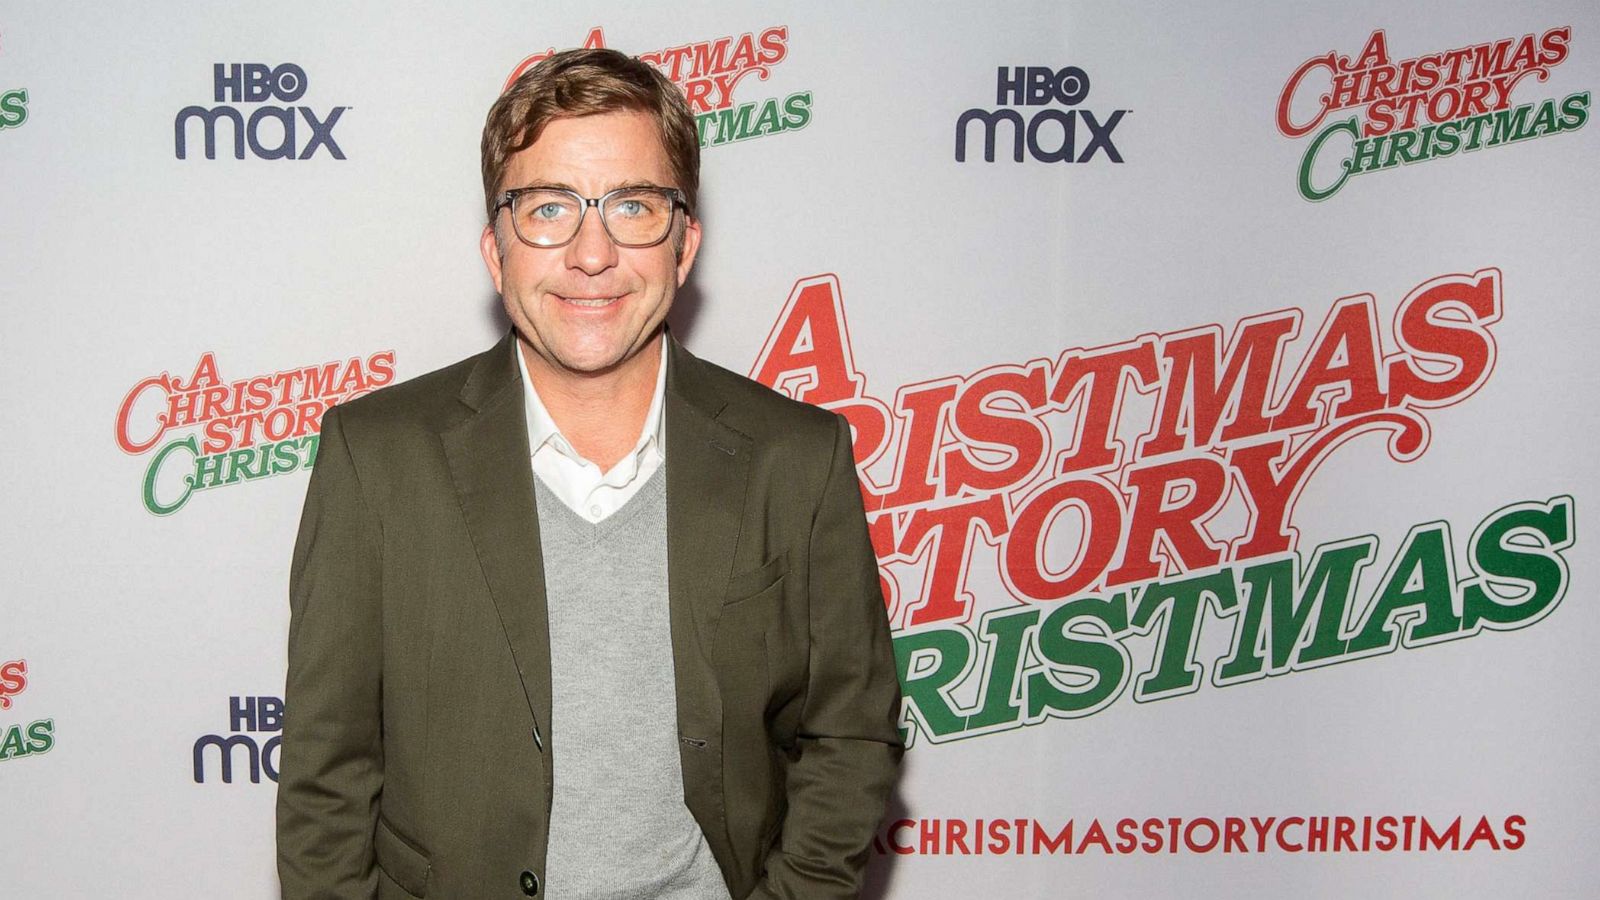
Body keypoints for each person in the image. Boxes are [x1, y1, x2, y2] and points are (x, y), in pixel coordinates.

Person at [275, 47, 903, 900]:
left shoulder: (798, 457)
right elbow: (326, 777)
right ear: (496, 250)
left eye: (634, 206)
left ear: (685, 245)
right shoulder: (376, 456)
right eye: (549, 208)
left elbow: (850, 734)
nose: (592, 253)